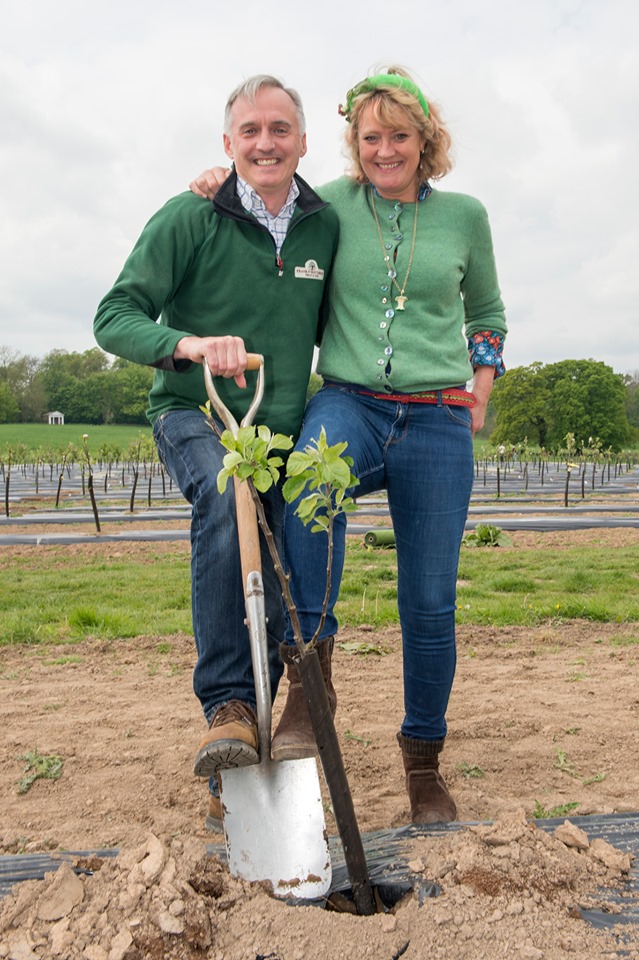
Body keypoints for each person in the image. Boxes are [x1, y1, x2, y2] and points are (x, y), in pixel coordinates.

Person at [190, 66, 506, 824]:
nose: (384, 151)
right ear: (353, 143)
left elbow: (487, 311)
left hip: (434, 417)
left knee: (428, 605)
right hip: (351, 402)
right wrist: (215, 176)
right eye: (370, 138)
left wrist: (480, 387)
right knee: (307, 487)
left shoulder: (465, 215)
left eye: (399, 136)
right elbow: (263, 189)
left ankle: (423, 763)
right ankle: (312, 680)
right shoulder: (328, 204)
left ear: (424, 141)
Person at [94, 75, 339, 831]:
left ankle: (293, 702)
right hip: (194, 411)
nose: (264, 143)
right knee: (227, 506)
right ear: (227, 143)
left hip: (282, 424)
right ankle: (228, 707)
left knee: (297, 538)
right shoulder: (189, 216)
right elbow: (114, 316)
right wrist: (187, 344)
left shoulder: (327, 227)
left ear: (302, 140)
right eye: (248, 131)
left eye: (279, 129)